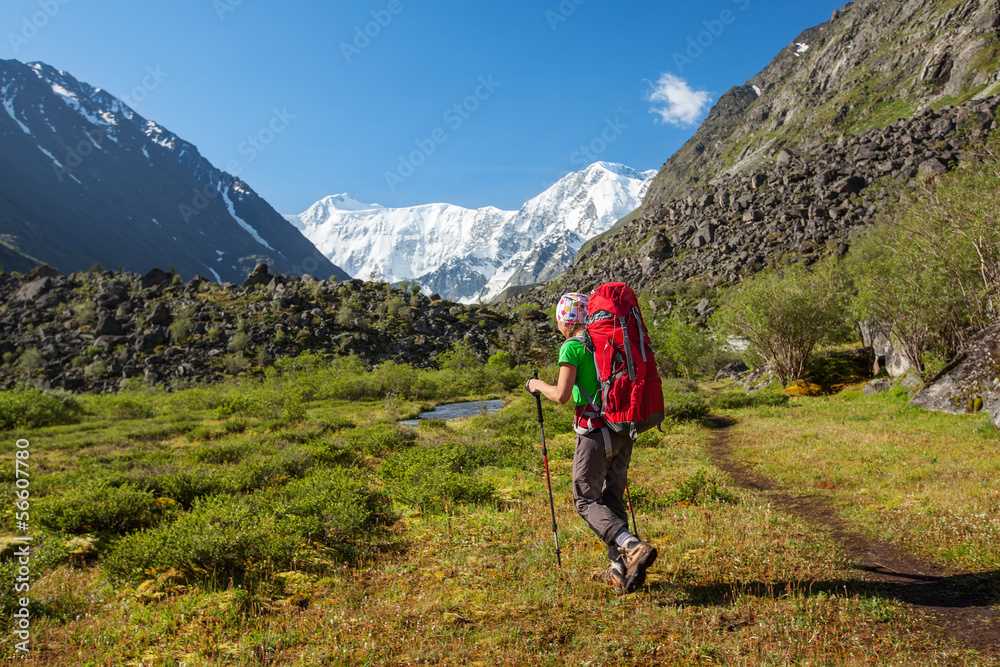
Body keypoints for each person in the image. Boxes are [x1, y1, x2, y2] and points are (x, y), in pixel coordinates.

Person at [526, 292, 657, 594]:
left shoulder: (572, 347)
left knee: (585, 499)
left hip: (595, 433)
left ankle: (631, 546)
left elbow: (561, 394)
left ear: (566, 320)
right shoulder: (609, 341)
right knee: (612, 499)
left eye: (559, 319)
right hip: (624, 429)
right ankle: (619, 570)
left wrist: (536, 385)